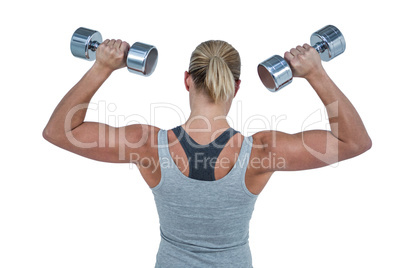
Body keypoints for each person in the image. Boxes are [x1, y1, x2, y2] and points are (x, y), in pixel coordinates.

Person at [43, 38, 372, 267]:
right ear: (237, 86)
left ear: (187, 80)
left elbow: (60, 131)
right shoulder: (261, 151)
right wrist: (316, 72)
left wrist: (102, 66)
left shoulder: (146, 145)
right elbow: (353, 142)